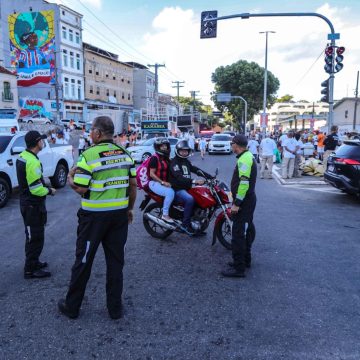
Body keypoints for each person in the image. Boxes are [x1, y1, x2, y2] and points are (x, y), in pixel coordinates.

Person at [58, 116, 137, 320]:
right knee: (115, 262)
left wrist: (69, 179)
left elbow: (81, 187)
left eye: (91, 130)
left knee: (83, 261)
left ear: (98, 133)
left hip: (93, 218)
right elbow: (133, 185)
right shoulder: (125, 153)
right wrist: (130, 209)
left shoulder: (89, 155)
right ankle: (115, 309)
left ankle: (72, 306)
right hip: (119, 216)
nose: (90, 133)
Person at [16, 131, 56, 279]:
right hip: (33, 206)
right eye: (42, 140)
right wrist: (50, 190)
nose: (43, 142)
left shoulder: (24, 156)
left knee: (33, 235)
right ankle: (30, 269)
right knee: (35, 237)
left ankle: (34, 262)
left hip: (27, 204)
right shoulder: (32, 161)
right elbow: (36, 189)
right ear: (37, 142)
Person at [221, 135, 257, 278]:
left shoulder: (244, 159)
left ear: (236, 145)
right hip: (248, 200)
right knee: (246, 231)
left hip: (244, 202)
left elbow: (244, 183)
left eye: (232, 144)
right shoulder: (248, 156)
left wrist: (236, 203)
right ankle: (245, 260)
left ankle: (238, 268)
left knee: (237, 234)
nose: (231, 146)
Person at [169, 140, 212, 235]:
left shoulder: (186, 161)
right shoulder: (174, 162)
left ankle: (197, 225)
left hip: (187, 188)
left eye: (186, 151)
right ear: (177, 151)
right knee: (190, 199)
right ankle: (185, 225)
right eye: (182, 151)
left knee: (201, 198)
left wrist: (209, 176)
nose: (184, 152)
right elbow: (179, 177)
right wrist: (194, 181)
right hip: (177, 189)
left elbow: (196, 170)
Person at [148, 138, 175, 223]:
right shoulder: (154, 158)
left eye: (165, 146)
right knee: (170, 192)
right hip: (154, 183)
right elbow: (152, 174)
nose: (164, 148)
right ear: (157, 147)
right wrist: (162, 182)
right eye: (162, 146)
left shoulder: (166, 158)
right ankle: (165, 215)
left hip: (164, 183)